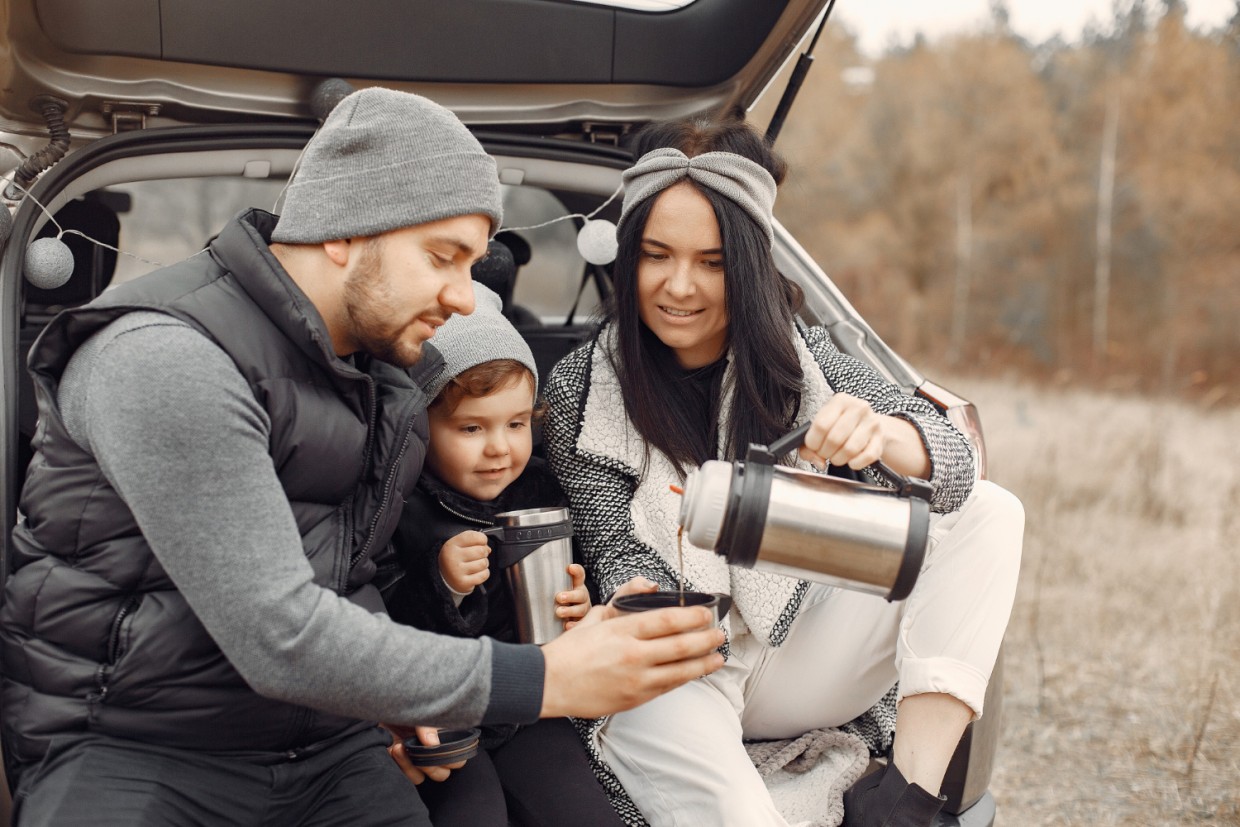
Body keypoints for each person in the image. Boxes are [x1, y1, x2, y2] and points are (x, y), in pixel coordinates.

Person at [0, 88, 725, 827]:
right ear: (341, 230)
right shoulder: (164, 359)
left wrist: (407, 704)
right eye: (444, 256)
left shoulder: (385, 379)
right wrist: (547, 677)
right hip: (136, 747)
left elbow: (354, 579)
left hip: (326, 749)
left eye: (473, 263)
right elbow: (280, 634)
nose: (465, 297)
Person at [541, 115, 1025, 827]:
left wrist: (883, 435)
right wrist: (634, 592)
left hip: (784, 642)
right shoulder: (583, 387)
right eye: (656, 254)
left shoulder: (800, 360)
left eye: (711, 261)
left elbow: (953, 466)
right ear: (626, 256)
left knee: (991, 511)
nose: (680, 285)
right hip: (667, 668)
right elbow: (614, 550)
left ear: (746, 262)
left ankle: (906, 803)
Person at [382, 282, 623, 826]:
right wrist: (440, 581)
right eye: (472, 427)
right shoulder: (401, 503)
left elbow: (589, 572)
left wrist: (581, 604)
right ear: (421, 425)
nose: (499, 447)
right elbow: (378, 618)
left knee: (582, 811)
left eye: (516, 424)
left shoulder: (542, 491)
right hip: (443, 715)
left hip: (532, 708)